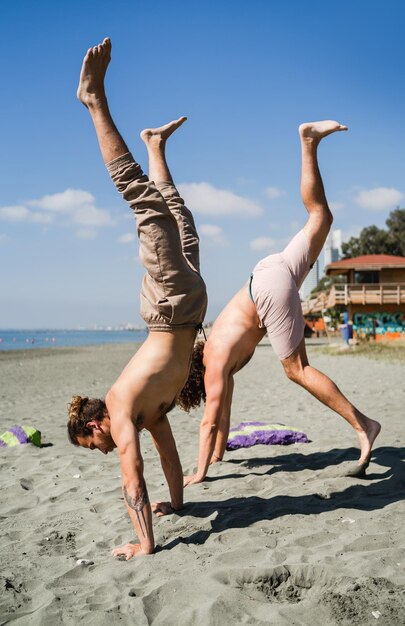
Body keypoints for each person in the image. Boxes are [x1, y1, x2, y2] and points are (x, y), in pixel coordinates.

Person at [182, 120, 381, 487]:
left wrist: (199, 472)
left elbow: (209, 419)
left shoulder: (213, 364)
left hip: (267, 289)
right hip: (266, 273)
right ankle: (308, 143)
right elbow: (222, 414)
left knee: (296, 369)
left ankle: (364, 425)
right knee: (321, 216)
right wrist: (218, 454)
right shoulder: (215, 352)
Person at [67, 38, 207, 560]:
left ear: (96, 425)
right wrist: (179, 504)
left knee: (145, 203)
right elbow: (169, 459)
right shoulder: (149, 411)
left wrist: (145, 543)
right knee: (181, 222)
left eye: (93, 445)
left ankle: (93, 99)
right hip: (189, 307)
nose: (103, 450)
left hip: (171, 306)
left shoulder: (124, 408)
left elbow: (134, 475)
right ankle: (154, 146)